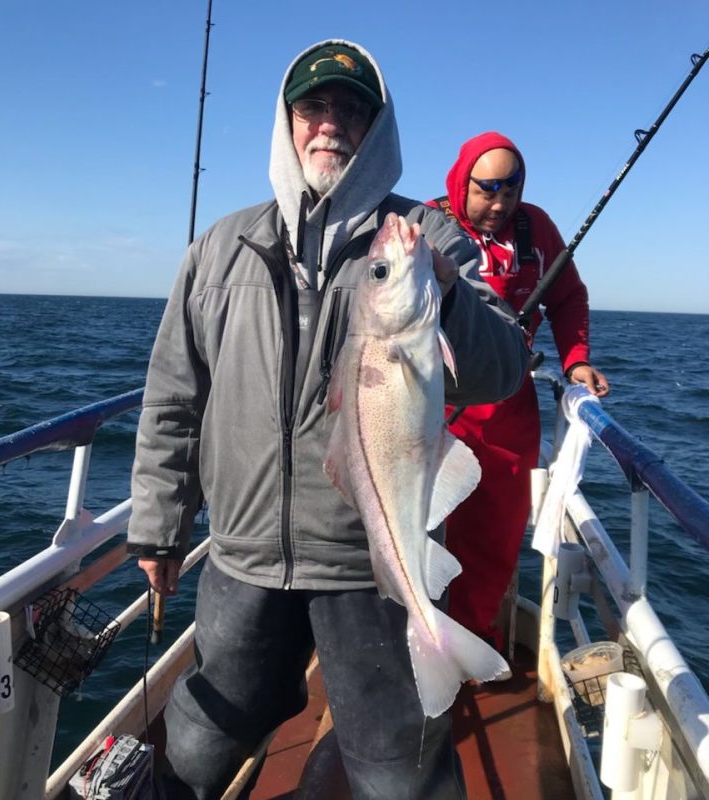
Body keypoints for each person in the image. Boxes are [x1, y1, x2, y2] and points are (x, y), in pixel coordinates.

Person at [127, 44, 530, 800]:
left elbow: (505, 364)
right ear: (288, 124)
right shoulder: (217, 248)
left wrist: (447, 295)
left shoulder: (427, 240)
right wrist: (158, 526)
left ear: (378, 130)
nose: (330, 125)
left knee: (396, 769)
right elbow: (173, 396)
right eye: (314, 108)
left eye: (351, 110)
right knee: (200, 739)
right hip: (243, 558)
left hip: (367, 567)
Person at [426, 131, 610, 655]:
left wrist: (576, 361)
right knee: (421, 529)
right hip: (435, 406)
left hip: (509, 405)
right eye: (487, 189)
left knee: (495, 533)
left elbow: (568, 296)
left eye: (511, 189)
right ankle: (410, 643)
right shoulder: (425, 224)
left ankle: (467, 643)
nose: (500, 202)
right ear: (462, 182)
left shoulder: (536, 228)